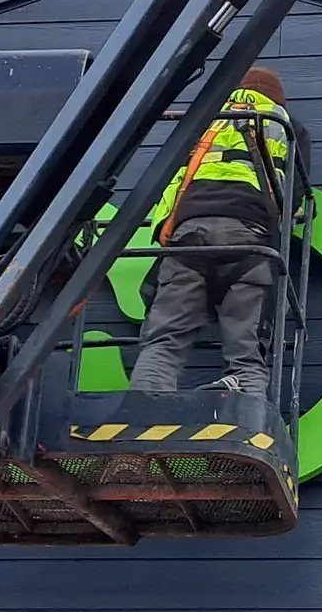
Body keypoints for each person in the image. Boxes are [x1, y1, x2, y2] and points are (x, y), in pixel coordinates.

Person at [127, 66, 311, 398]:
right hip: (250, 241)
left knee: (164, 344)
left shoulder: (206, 124)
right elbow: (295, 199)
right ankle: (247, 424)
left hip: (188, 238)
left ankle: (144, 419)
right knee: (247, 357)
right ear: (276, 99)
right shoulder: (285, 126)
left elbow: (172, 184)